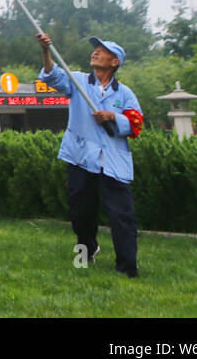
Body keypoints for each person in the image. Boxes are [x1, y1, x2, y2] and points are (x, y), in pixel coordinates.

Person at [37, 33, 143, 278]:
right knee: (80, 212)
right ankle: (88, 248)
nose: (95, 52)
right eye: (95, 49)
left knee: (122, 216)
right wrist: (46, 51)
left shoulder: (125, 93)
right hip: (81, 158)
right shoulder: (78, 82)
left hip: (113, 162)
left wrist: (113, 117)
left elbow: (136, 123)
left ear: (115, 62)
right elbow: (52, 75)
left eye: (102, 50)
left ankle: (127, 267)